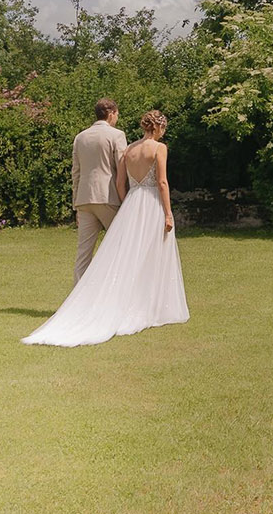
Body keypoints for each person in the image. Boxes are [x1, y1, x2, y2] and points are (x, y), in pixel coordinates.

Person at [23, 110, 189, 347]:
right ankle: (148, 306)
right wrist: (168, 212)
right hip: (152, 203)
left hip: (132, 202)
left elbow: (120, 183)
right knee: (152, 253)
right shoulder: (159, 148)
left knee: (118, 253)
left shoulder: (130, 149)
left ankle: (99, 300)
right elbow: (162, 182)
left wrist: (127, 204)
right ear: (159, 128)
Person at [70, 98, 128, 284]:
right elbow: (122, 170)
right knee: (121, 246)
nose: (117, 118)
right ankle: (114, 292)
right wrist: (126, 199)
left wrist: (76, 204)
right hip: (108, 196)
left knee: (83, 253)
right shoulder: (116, 135)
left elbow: (76, 173)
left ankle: (78, 301)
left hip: (84, 199)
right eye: (117, 114)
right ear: (111, 113)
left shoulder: (80, 137)